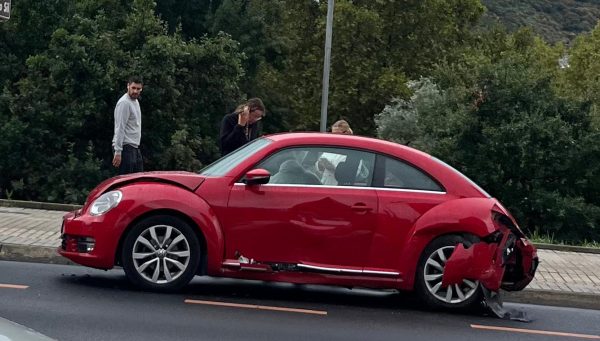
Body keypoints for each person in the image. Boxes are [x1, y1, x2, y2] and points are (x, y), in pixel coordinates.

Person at [112, 76, 144, 175]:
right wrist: (118, 152)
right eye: (133, 88)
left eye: (138, 89)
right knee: (126, 180)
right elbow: (119, 127)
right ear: (128, 86)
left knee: (138, 178)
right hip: (125, 146)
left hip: (134, 146)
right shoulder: (124, 103)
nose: (135, 91)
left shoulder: (135, 101)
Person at [317, 120, 354, 185]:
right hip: (325, 185)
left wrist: (333, 169)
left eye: (337, 134)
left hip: (340, 188)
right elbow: (320, 171)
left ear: (346, 133)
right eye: (332, 134)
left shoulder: (353, 150)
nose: (334, 136)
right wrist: (320, 165)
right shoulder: (330, 148)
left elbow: (352, 174)